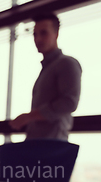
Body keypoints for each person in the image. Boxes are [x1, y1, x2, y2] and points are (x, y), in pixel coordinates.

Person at [9, 13, 82, 141]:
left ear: (56, 34)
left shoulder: (66, 63)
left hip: (52, 145)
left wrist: (29, 117)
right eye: (35, 34)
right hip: (38, 142)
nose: (38, 39)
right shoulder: (47, 69)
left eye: (44, 33)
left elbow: (69, 103)